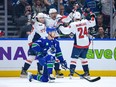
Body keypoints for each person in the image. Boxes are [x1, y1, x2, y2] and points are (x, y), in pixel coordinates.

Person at [68, 11, 96, 78]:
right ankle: (87, 73)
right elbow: (93, 23)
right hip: (86, 44)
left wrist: (60, 27)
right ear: (80, 17)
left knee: (74, 59)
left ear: (74, 18)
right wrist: (92, 16)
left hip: (78, 44)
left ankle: (71, 74)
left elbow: (67, 31)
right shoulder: (85, 21)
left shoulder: (73, 24)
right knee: (83, 58)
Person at [20, 13, 48, 77]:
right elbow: (44, 35)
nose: (42, 19)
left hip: (33, 42)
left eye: (43, 18)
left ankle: (24, 71)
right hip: (36, 43)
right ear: (37, 18)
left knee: (32, 57)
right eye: (40, 18)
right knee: (40, 56)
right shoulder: (39, 25)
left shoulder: (36, 24)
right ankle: (40, 71)